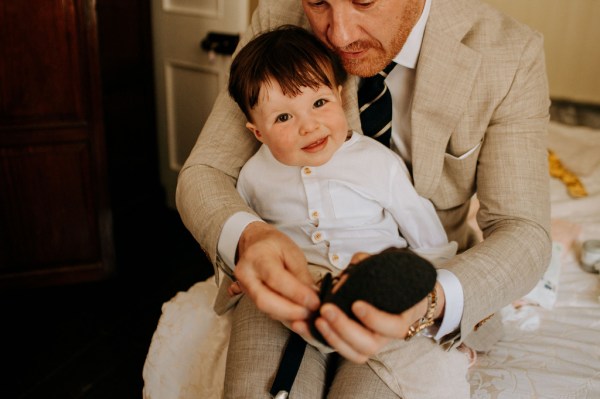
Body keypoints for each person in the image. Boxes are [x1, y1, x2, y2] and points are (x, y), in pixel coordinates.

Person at [176, 0, 551, 397]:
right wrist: (250, 239)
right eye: (318, 2)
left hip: (411, 282)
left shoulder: (510, 54)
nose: (338, 35)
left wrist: (429, 300)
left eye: (364, 1)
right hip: (294, 280)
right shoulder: (278, 18)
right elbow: (207, 172)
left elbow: (523, 228)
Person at [224, 25, 467, 397]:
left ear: (339, 96)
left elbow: (424, 231)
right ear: (257, 132)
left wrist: (433, 302)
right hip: (298, 296)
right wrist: (237, 274)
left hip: (370, 288)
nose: (309, 126)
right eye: (283, 118)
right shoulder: (255, 176)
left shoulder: (376, 162)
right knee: (275, 383)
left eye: (319, 103)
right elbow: (246, 237)